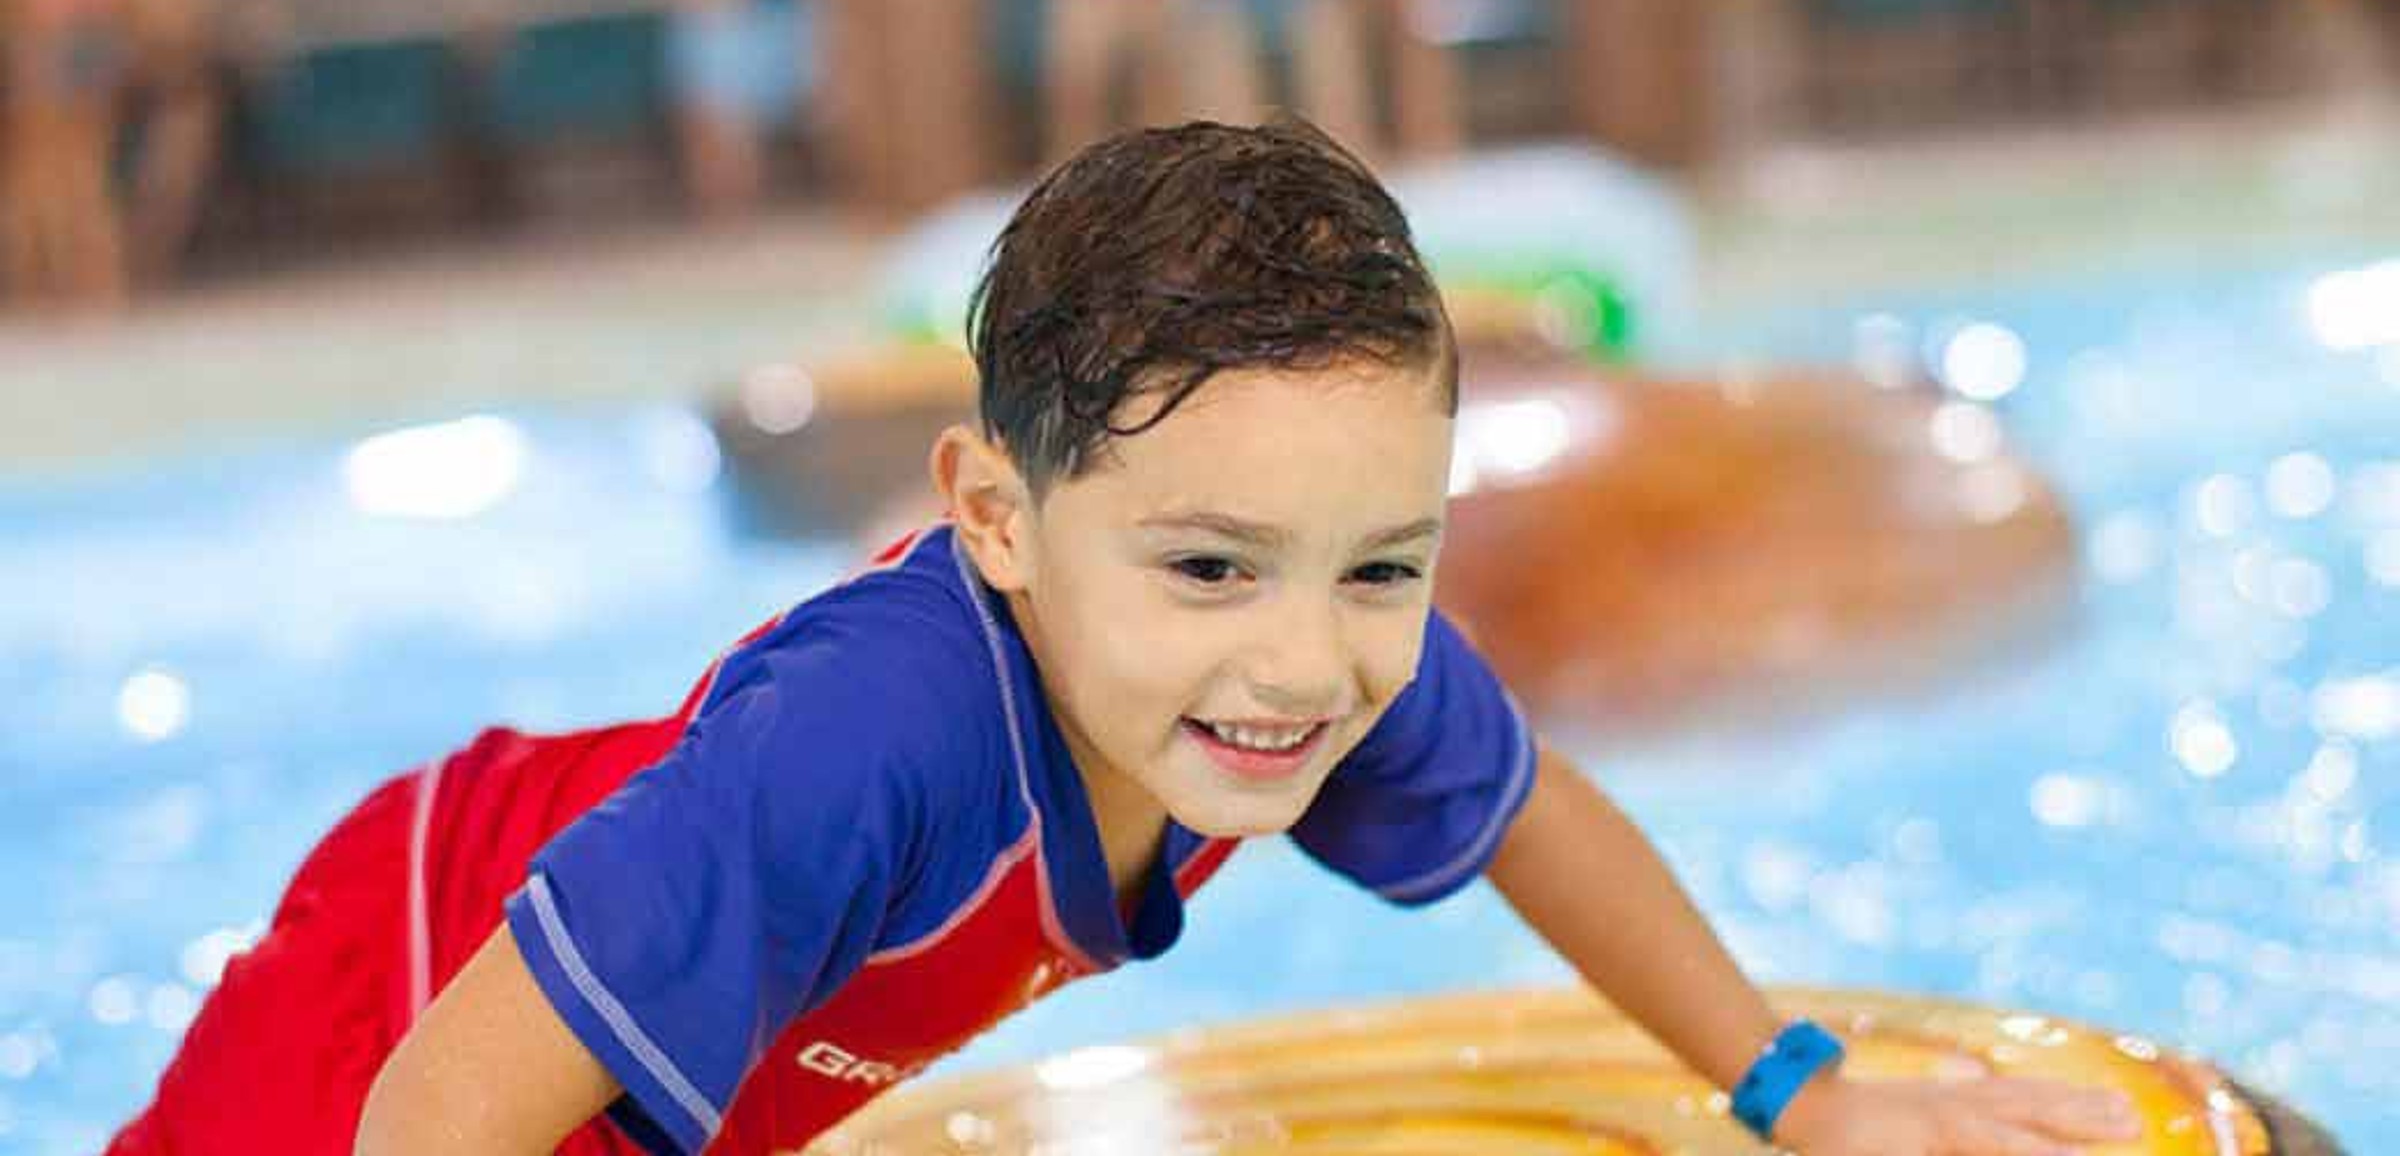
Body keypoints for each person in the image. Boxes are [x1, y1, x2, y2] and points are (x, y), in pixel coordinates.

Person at [109, 120, 2143, 1156]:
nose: (1302, 659)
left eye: (1382, 561)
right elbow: (436, 1107)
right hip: (397, 1011)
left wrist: (1801, 1083)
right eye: (1207, 568)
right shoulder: (871, 743)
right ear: (996, 516)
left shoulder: (1315, 663)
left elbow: (1540, 816)